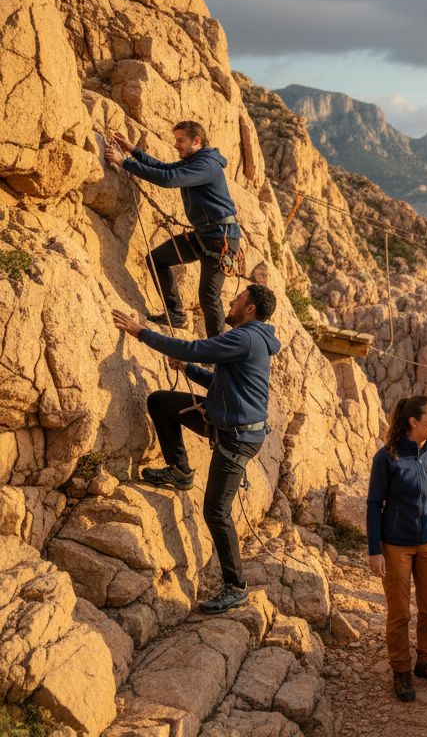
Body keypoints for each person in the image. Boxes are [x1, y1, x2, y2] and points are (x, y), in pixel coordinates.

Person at [110, 284, 279, 615]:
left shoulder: (245, 338)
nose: (230, 302)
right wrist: (189, 370)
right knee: (160, 402)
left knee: (216, 511)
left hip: (237, 438)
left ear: (250, 309)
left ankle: (236, 587)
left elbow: (192, 348)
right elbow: (225, 386)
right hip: (225, 422)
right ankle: (180, 471)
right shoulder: (252, 338)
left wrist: (140, 332)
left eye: (238, 300)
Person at [104, 121, 242, 338]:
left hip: (220, 238)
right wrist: (134, 151)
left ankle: (217, 349)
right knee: (156, 259)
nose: (176, 145)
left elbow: (168, 179)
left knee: (209, 297)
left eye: (181, 140)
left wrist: (124, 162)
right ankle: (175, 314)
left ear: (196, 141)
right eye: (176, 140)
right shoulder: (195, 161)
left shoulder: (206, 165)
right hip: (205, 234)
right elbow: (165, 168)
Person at [367, 396, 427, 702]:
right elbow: (374, 505)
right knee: (399, 613)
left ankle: (426, 662)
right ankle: (401, 670)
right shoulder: (388, 457)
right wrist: (374, 550)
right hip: (395, 545)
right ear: (413, 421)